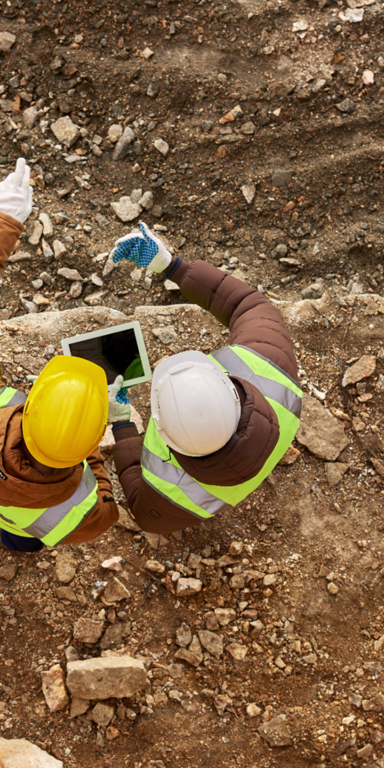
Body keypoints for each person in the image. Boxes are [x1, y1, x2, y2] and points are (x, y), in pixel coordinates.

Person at [0, 159, 121, 551]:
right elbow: (110, 511)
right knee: (25, 538)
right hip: (35, 527)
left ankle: (9, 531)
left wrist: (5, 219)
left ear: (31, 403)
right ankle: (16, 541)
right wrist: (91, 456)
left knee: (11, 520)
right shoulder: (86, 513)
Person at [105, 222, 303, 534]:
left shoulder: (170, 491)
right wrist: (172, 266)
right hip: (262, 448)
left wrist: (121, 422)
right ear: (229, 385)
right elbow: (247, 305)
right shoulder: (271, 368)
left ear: (161, 432)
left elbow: (143, 511)